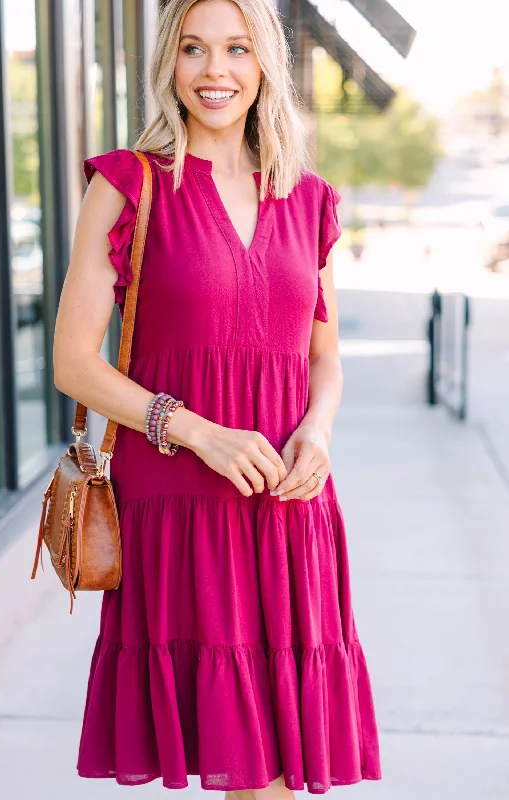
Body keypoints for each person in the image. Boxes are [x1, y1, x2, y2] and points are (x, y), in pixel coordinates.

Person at [53, 0, 382, 794]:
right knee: (253, 770)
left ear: (264, 63)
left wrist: (319, 430)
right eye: (194, 50)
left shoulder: (309, 199)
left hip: (286, 502)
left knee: (268, 768)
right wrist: (197, 431)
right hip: (179, 503)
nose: (215, 71)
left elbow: (323, 356)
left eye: (235, 50)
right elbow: (71, 361)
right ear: (170, 63)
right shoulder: (128, 186)